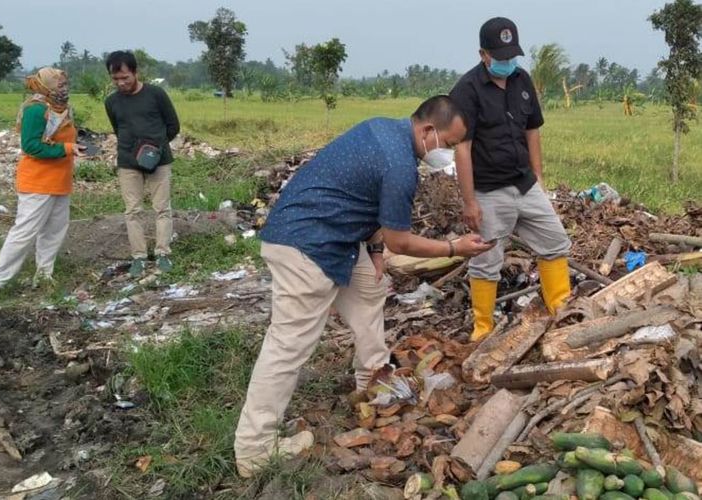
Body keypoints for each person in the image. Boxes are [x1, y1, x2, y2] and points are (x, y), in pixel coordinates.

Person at [234, 95, 494, 478]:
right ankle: (254, 449)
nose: (450, 153)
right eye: (450, 144)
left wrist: (372, 248)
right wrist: (455, 248)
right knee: (288, 345)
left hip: (332, 237)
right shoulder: (400, 164)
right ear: (427, 131)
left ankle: (374, 379)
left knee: (370, 288)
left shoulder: (384, 130)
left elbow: (364, 196)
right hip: (306, 244)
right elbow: (401, 242)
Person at [449, 17, 572, 341]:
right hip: (489, 190)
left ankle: (561, 308)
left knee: (555, 242)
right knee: (486, 259)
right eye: (500, 57)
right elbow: (463, 148)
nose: (507, 62)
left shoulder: (522, 80)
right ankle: (483, 328)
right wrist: (470, 201)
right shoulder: (467, 90)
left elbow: (532, 131)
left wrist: (539, 177)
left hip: (525, 183)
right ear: (483, 54)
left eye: (511, 55)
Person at [0, 68, 84, 298]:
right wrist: (68, 149)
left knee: (54, 230)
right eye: (59, 85)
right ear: (46, 86)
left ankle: (43, 275)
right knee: (25, 231)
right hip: (38, 183)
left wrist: (75, 145)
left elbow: (61, 139)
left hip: (60, 180)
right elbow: (31, 146)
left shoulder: (62, 109)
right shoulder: (36, 109)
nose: (64, 88)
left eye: (65, 84)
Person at [104, 50, 180, 277]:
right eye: (116, 79)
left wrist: (155, 149)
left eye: (125, 77)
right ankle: (138, 257)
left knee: (162, 208)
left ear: (135, 72)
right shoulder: (111, 102)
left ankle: (163, 253)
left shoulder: (156, 94)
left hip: (160, 161)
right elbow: (118, 129)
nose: (121, 83)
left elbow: (173, 125)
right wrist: (135, 151)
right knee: (132, 211)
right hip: (127, 162)